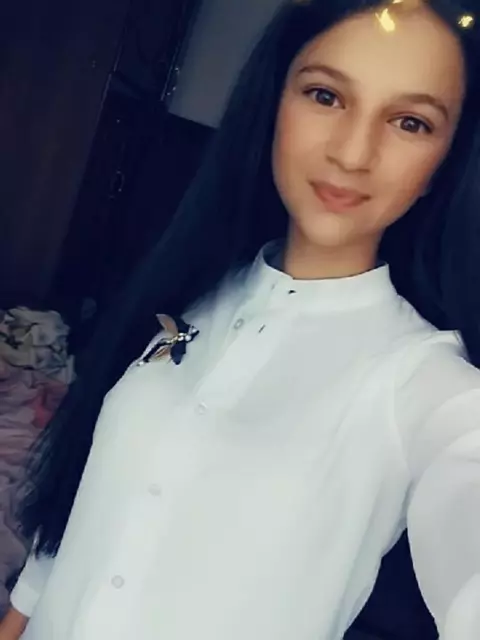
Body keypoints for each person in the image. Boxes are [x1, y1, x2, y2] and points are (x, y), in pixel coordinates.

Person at [2, 0, 480, 637]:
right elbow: (83, 509)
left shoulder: (425, 385)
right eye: (325, 95)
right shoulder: (191, 290)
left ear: (441, 167)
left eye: (410, 122)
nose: (353, 152)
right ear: (273, 104)